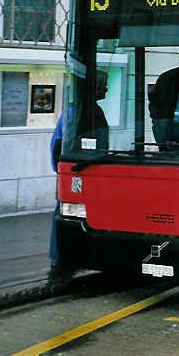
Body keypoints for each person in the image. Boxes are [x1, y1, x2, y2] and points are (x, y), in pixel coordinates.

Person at [48, 70, 108, 284]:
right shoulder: (84, 112)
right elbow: (60, 145)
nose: (107, 89)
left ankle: (63, 259)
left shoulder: (78, 110)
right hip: (81, 172)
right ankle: (62, 260)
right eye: (103, 84)